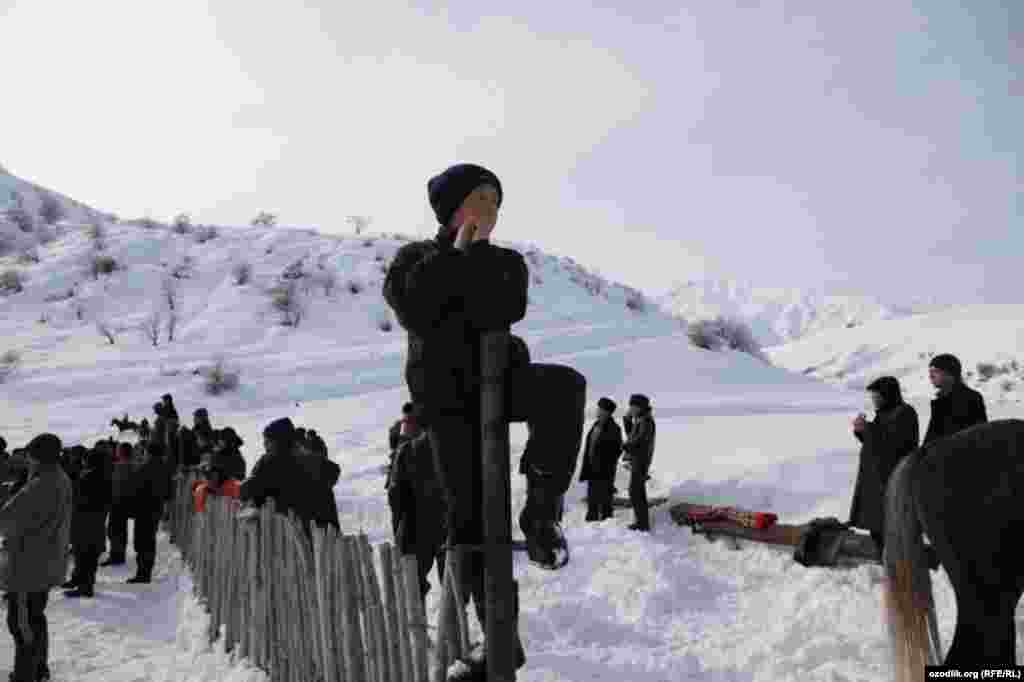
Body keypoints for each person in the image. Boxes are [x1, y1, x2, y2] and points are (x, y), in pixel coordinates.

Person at [384, 163, 586, 676]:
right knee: (473, 522)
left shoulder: (507, 262)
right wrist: (459, 257)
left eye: (496, 201)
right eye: (480, 199)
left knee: (564, 387)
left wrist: (466, 275)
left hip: (498, 381)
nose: (490, 210)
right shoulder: (415, 260)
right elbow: (418, 305)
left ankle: (542, 508)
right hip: (449, 403)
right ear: (451, 208)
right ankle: (498, 639)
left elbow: (505, 305)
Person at [0, 433, 73, 682]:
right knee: (35, 618)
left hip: (27, 566)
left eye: (30, 455)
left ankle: (25, 675)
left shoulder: (42, 484)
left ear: (38, 457)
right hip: (45, 562)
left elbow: (9, 516)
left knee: (21, 625)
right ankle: (38, 668)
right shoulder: (59, 478)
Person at [848, 376, 919, 555]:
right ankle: (884, 557)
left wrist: (868, 429)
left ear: (888, 395)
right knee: (877, 524)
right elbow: (878, 440)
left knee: (891, 523)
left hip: (892, 478)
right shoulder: (884, 413)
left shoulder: (905, 413)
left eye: (877, 396)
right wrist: (862, 432)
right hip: (876, 478)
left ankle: (896, 561)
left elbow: (893, 443)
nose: (874, 400)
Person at [239, 418, 340, 531]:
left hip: (292, 535)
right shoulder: (313, 459)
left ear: (277, 441)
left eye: (268, 440)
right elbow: (333, 471)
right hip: (326, 532)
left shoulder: (270, 463)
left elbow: (248, 489)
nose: (265, 444)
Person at [387, 432, 447, 601]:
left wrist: (399, 532)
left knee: (414, 590)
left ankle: (417, 626)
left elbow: (395, 496)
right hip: (451, 529)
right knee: (454, 592)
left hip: (417, 530)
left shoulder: (408, 450)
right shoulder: (459, 446)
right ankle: (455, 624)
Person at [63, 447, 113, 598]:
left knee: (85, 555)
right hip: (95, 521)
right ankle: (78, 580)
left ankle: (85, 587)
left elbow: (77, 499)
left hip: (85, 521)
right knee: (84, 554)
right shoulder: (105, 476)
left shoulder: (88, 478)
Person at [126, 441, 171, 584]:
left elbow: (135, 489)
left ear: (149, 452)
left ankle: (142, 574)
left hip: (143, 509)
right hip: (156, 509)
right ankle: (146, 572)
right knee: (149, 541)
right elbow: (169, 492)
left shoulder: (144, 468)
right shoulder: (165, 468)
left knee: (142, 542)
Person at [923, 353, 988, 446]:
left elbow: (980, 435)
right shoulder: (940, 401)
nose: (931, 376)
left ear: (949, 374)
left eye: (935, 371)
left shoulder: (971, 399)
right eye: (930, 372)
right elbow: (932, 437)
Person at [579, 398, 625, 522]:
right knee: (592, 497)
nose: (597, 411)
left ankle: (607, 522)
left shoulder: (614, 428)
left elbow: (617, 450)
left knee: (605, 499)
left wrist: (604, 464)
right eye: (598, 408)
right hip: (592, 468)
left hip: (605, 471)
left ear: (607, 412)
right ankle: (591, 520)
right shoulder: (596, 424)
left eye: (600, 409)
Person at [623, 394, 656, 532]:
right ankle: (641, 522)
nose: (630, 408)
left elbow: (640, 441)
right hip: (637, 460)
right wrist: (627, 419)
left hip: (641, 461)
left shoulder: (646, 421)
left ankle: (642, 524)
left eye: (632, 406)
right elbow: (632, 435)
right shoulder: (641, 419)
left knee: (636, 492)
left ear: (638, 406)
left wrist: (623, 446)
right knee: (636, 491)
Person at [102, 442, 135, 566]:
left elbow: (115, 486)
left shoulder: (119, 467)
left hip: (117, 502)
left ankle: (116, 556)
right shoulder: (133, 466)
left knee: (114, 530)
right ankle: (119, 555)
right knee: (121, 530)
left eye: (118, 450)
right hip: (126, 502)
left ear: (121, 452)